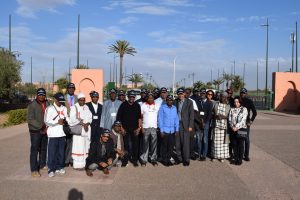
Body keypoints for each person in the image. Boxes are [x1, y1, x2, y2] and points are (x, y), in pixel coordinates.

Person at [44, 93, 68, 177]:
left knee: (61, 152)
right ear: (55, 99)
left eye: (61, 101)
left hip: (62, 134)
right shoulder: (49, 109)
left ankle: (60, 167)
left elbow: (67, 118)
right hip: (53, 134)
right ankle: (51, 169)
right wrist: (56, 122)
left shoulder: (64, 108)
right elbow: (46, 121)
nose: (60, 103)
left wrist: (65, 121)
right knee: (52, 153)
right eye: (59, 101)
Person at [27, 88, 50, 177]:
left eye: (43, 95)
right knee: (34, 150)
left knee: (43, 149)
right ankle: (34, 169)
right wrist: (41, 126)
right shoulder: (32, 105)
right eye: (40, 95)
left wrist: (47, 126)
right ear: (37, 95)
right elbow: (30, 119)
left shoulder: (47, 103)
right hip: (35, 131)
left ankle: (42, 164)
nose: (41, 96)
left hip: (45, 130)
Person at [117, 90, 142, 167]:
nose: (132, 98)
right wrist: (121, 128)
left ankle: (135, 160)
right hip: (125, 129)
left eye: (133, 97)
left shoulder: (137, 105)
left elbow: (139, 118)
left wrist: (139, 128)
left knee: (135, 145)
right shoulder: (123, 105)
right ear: (128, 97)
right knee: (126, 145)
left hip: (135, 129)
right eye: (130, 96)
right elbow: (119, 118)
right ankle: (125, 160)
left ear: (135, 97)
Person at [69, 92, 92, 170]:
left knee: (85, 147)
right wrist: (83, 124)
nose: (82, 101)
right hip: (78, 131)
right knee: (78, 147)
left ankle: (84, 164)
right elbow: (72, 119)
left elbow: (90, 117)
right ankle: (77, 165)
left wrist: (87, 124)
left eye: (83, 100)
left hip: (86, 131)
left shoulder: (86, 107)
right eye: (81, 100)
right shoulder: (74, 107)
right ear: (78, 100)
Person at [174, 88, 194, 166]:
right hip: (177, 124)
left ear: (184, 94)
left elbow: (191, 115)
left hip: (185, 125)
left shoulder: (189, 102)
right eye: (179, 94)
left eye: (182, 94)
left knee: (185, 143)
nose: (181, 95)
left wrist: (190, 126)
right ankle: (179, 159)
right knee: (177, 143)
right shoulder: (175, 101)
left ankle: (186, 159)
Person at [158, 95, 179, 166]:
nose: (170, 101)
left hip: (172, 131)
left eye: (171, 100)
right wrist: (161, 130)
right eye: (168, 100)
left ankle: (168, 158)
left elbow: (176, 119)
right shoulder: (162, 107)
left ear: (172, 101)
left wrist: (177, 129)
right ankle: (164, 160)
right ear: (166, 101)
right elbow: (160, 119)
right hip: (165, 130)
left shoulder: (174, 108)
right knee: (164, 146)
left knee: (171, 146)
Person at [140, 93, 159, 166]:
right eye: (149, 98)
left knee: (154, 144)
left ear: (153, 99)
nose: (150, 99)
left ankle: (153, 159)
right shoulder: (143, 105)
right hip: (145, 127)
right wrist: (141, 127)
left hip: (154, 127)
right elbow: (140, 118)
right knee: (145, 144)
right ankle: (144, 160)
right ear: (147, 99)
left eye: (152, 98)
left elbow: (159, 117)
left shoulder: (157, 106)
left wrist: (158, 127)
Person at [211, 92, 231, 162]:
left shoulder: (228, 106)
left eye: (225, 97)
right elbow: (212, 112)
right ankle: (215, 156)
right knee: (215, 142)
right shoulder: (216, 104)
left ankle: (222, 157)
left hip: (224, 127)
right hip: (216, 126)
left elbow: (230, 116)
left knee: (223, 143)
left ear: (227, 98)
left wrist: (223, 116)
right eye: (222, 97)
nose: (223, 98)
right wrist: (216, 116)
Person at [229, 97, 248, 165]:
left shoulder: (244, 109)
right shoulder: (232, 109)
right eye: (235, 102)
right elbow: (230, 119)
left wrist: (237, 127)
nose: (236, 103)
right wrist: (232, 127)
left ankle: (240, 159)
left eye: (237, 102)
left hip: (241, 128)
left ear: (240, 102)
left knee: (241, 144)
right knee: (234, 144)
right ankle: (236, 158)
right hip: (233, 129)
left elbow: (243, 120)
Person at [240, 88, 257, 161]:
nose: (242, 94)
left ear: (246, 93)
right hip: (238, 123)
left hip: (246, 123)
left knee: (246, 139)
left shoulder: (249, 101)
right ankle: (240, 154)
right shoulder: (238, 100)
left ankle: (246, 155)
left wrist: (250, 121)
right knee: (240, 138)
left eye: (244, 93)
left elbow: (255, 113)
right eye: (241, 93)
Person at [197, 88, 213, 161]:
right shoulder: (198, 102)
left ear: (205, 94)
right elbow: (196, 113)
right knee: (199, 139)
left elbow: (210, 115)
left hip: (206, 123)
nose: (202, 95)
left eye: (204, 93)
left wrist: (205, 122)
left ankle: (204, 155)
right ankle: (199, 154)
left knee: (205, 139)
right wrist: (200, 121)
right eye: (201, 93)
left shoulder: (209, 103)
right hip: (199, 123)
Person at [64, 82, 78, 167]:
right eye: (70, 88)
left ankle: (72, 159)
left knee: (74, 142)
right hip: (66, 123)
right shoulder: (63, 98)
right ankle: (66, 160)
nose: (71, 89)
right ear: (67, 89)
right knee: (66, 142)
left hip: (75, 123)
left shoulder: (77, 98)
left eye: (73, 88)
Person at [185, 88, 200, 160]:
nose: (187, 94)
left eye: (188, 93)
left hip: (191, 123)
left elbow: (196, 112)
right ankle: (185, 154)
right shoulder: (181, 100)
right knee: (184, 139)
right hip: (183, 123)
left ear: (190, 93)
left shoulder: (192, 101)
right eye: (186, 93)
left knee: (191, 139)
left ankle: (191, 153)